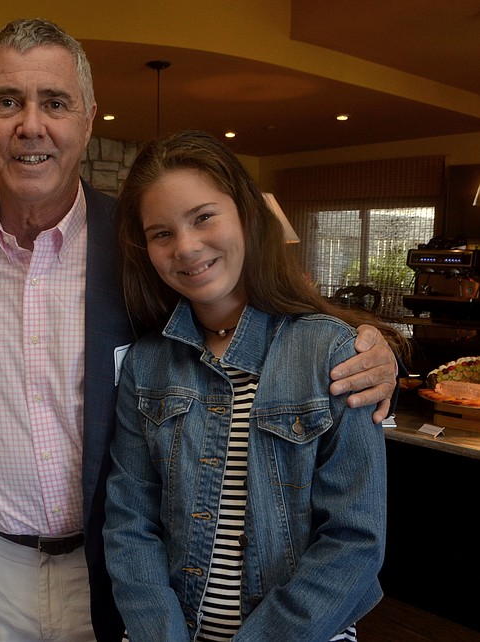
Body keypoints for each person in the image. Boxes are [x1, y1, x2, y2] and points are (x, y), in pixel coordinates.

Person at [0, 19, 399, 642]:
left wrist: (382, 347)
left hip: (105, 579)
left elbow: (262, 309)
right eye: (7, 102)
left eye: (55, 102)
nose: (30, 125)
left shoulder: (135, 240)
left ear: (89, 118)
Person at [104, 130, 409, 641]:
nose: (186, 247)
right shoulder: (146, 363)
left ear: (245, 213)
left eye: (203, 217)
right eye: (161, 233)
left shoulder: (331, 352)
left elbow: (354, 538)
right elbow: (130, 523)